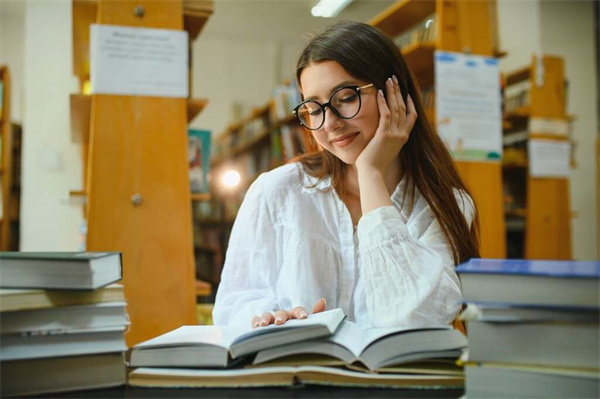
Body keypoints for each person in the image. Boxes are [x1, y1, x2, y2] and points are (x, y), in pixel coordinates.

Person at [212, 21, 480, 330]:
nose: (330, 124)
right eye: (314, 108)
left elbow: (412, 323)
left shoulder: (446, 203)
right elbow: (233, 304)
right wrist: (267, 318)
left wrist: (370, 174)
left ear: (394, 93)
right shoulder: (277, 191)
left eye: (346, 97)